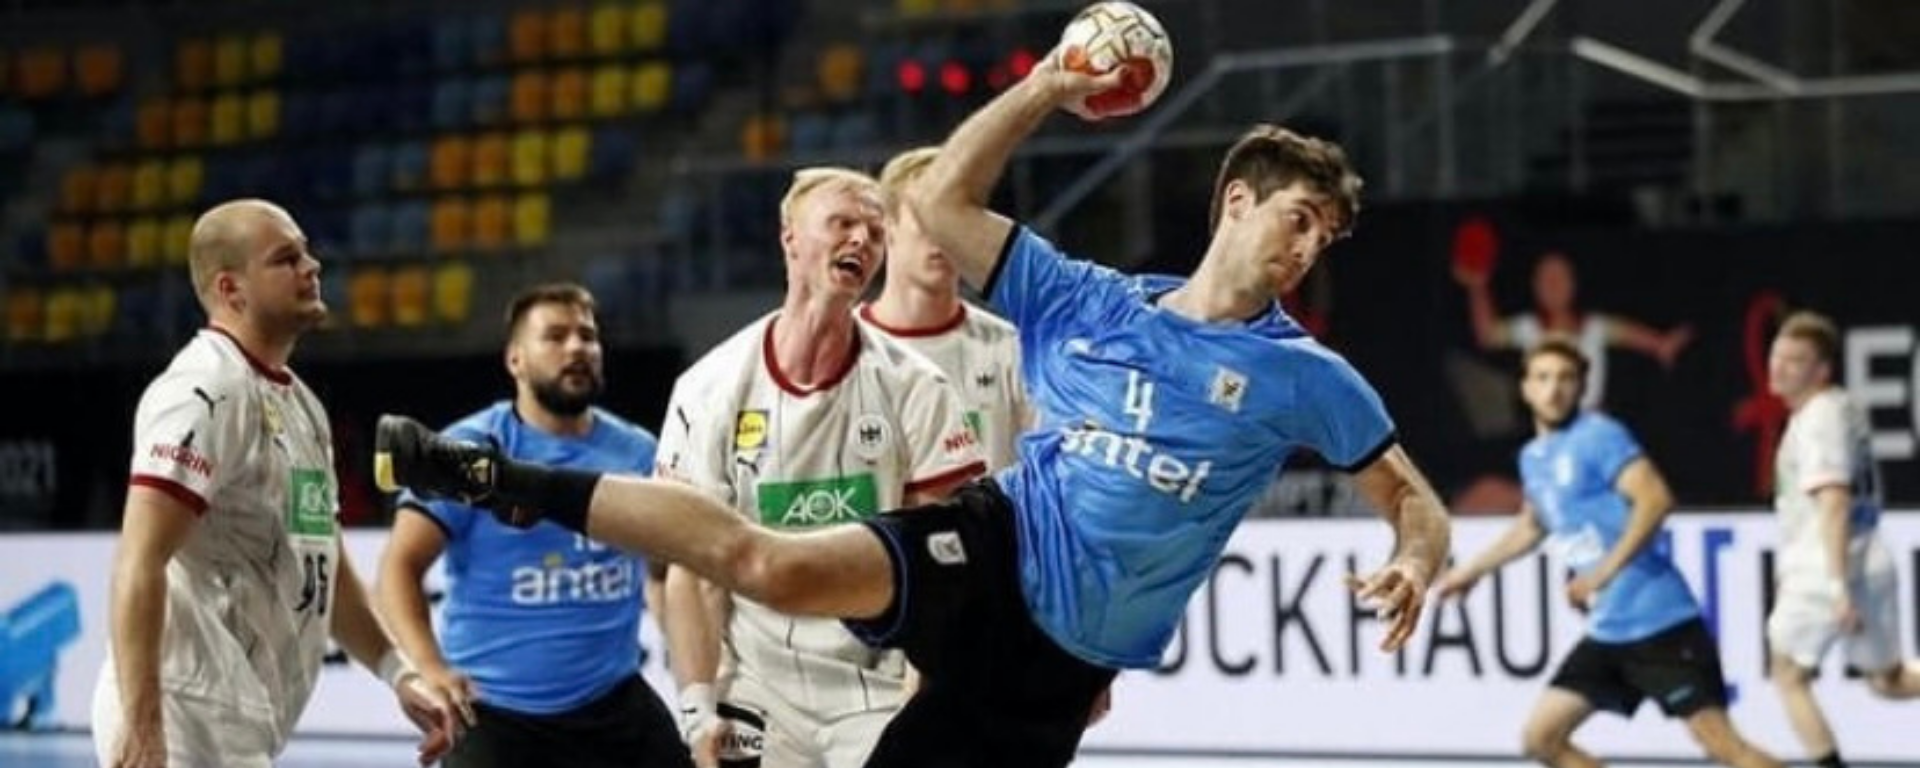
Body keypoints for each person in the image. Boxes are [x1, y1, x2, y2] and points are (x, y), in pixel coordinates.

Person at [374, 55, 1449, 768]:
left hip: (1061, 665)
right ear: (1236, 203)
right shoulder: (1088, 300)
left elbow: (1416, 501)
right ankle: (498, 480)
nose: (1307, 249)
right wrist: (1049, 85)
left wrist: (1413, 555)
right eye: (1299, 220)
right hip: (996, 545)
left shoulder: (1309, 374)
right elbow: (935, 203)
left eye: (1326, 237)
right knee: (771, 564)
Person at [96, 199, 459, 768]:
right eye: (286, 258)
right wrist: (144, 729)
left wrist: (400, 674)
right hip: (184, 710)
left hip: (242, 719)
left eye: (307, 252)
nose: (312, 266)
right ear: (231, 289)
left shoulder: (304, 407)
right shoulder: (202, 393)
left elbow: (325, 567)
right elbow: (138, 562)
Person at [655, 167, 986, 768]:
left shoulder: (918, 388)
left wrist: (923, 701)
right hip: (756, 686)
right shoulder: (708, 389)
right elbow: (693, 570)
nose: (862, 240)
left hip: (876, 686)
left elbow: (946, 567)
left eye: (875, 233)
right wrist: (698, 707)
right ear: (790, 239)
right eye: (842, 224)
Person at [375, 283, 692, 768]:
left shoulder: (638, 451)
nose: (576, 348)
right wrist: (429, 668)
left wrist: (690, 662)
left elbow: (662, 572)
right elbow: (399, 565)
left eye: (587, 336)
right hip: (497, 714)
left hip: (614, 703)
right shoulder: (465, 452)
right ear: (515, 360)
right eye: (556, 336)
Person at [1434, 340, 1781, 768]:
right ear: (1524, 388)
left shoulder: (1599, 435)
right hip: (1609, 630)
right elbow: (1533, 524)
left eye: (1565, 378)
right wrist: (1470, 571)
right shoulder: (1533, 457)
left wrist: (1600, 575)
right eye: (1542, 378)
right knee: (1542, 737)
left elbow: (1655, 499)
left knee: (1723, 747)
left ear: (1581, 387)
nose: (1554, 389)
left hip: (1661, 623)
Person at [1763, 311, 1920, 768]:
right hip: (1869, 560)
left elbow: (1834, 501)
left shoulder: (1819, 418)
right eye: (1777, 356)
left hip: (1827, 567)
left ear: (1822, 370)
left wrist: (1835, 586)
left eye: (1796, 360)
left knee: (1788, 675)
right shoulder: (1842, 407)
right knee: (1888, 680)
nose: (1779, 367)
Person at [859, 146, 1031, 471]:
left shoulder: (1012, 349)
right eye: (927, 219)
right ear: (886, 226)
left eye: (954, 220)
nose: (942, 237)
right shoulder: (844, 351)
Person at [1455, 250, 1692, 409]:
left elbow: (1636, 336)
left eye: (1560, 276)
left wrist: (1662, 344)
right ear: (1536, 287)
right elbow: (1487, 335)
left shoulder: (1595, 327)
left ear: (1573, 284)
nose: (1553, 283)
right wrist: (1478, 287)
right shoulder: (1528, 328)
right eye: (1545, 277)